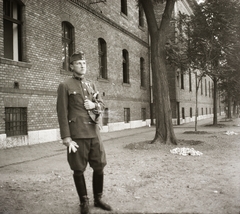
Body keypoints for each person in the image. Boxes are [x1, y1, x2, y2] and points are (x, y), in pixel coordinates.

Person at [56, 51, 112, 214]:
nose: (82, 65)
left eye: (84, 63)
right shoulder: (65, 85)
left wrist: (93, 106)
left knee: (99, 166)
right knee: (78, 169)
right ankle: (84, 201)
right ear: (72, 66)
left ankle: (98, 198)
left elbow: (101, 105)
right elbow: (62, 112)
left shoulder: (91, 85)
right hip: (77, 135)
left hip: (94, 133)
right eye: (79, 63)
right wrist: (66, 137)